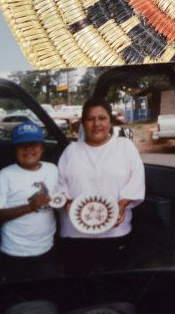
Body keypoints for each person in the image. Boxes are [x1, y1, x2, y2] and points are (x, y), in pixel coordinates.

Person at [57, 98, 145, 275]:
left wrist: (121, 206)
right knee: (78, 285)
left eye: (102, 118)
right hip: (75, 232)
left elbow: (136, 179)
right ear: (83, 123)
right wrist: (67, 202)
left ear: (110, 121)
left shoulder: (124, 147)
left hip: (115, 231)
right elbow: (60, 185)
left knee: (114, 285)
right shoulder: (71, 151)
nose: (96, 124)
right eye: (90, 119)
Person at [0, 121, 60, 281]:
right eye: (21, 146)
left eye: (33, 144)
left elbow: (59, 198)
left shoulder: (52, 169)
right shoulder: (5, 175)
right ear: (14, 150)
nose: (28, 149)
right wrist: (30, 206)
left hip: (47, 248)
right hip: (16, 252)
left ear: (42, 148)